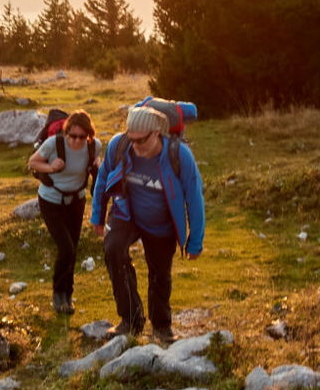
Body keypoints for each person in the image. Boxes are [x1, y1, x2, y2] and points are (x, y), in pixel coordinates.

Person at [90, 105, 204, 344]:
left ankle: (162, 326)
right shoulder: (119, 145)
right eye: (131, 139)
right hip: (126, 214)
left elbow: (194, 198)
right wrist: (97, 216)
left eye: (140, 141)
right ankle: (131, 320)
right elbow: (102, 179)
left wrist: (195, 241)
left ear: (156, 133)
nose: (134, 146)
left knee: (160, 274)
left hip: (161, 223)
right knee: (113, 250)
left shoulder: (179, 155)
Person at [26, 109, 96, 316]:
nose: (76, 141)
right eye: (72, 136)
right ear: (66, 133)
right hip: (51, 200)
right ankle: (58, 293)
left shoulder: (94, 146)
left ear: (89, 135)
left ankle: (68, 295)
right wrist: (51, 168)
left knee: (73, 248)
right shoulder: (53, 144)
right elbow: (33, 162)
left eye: (82, 137)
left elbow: (93, 164)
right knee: (66, 248)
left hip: (77, 201)